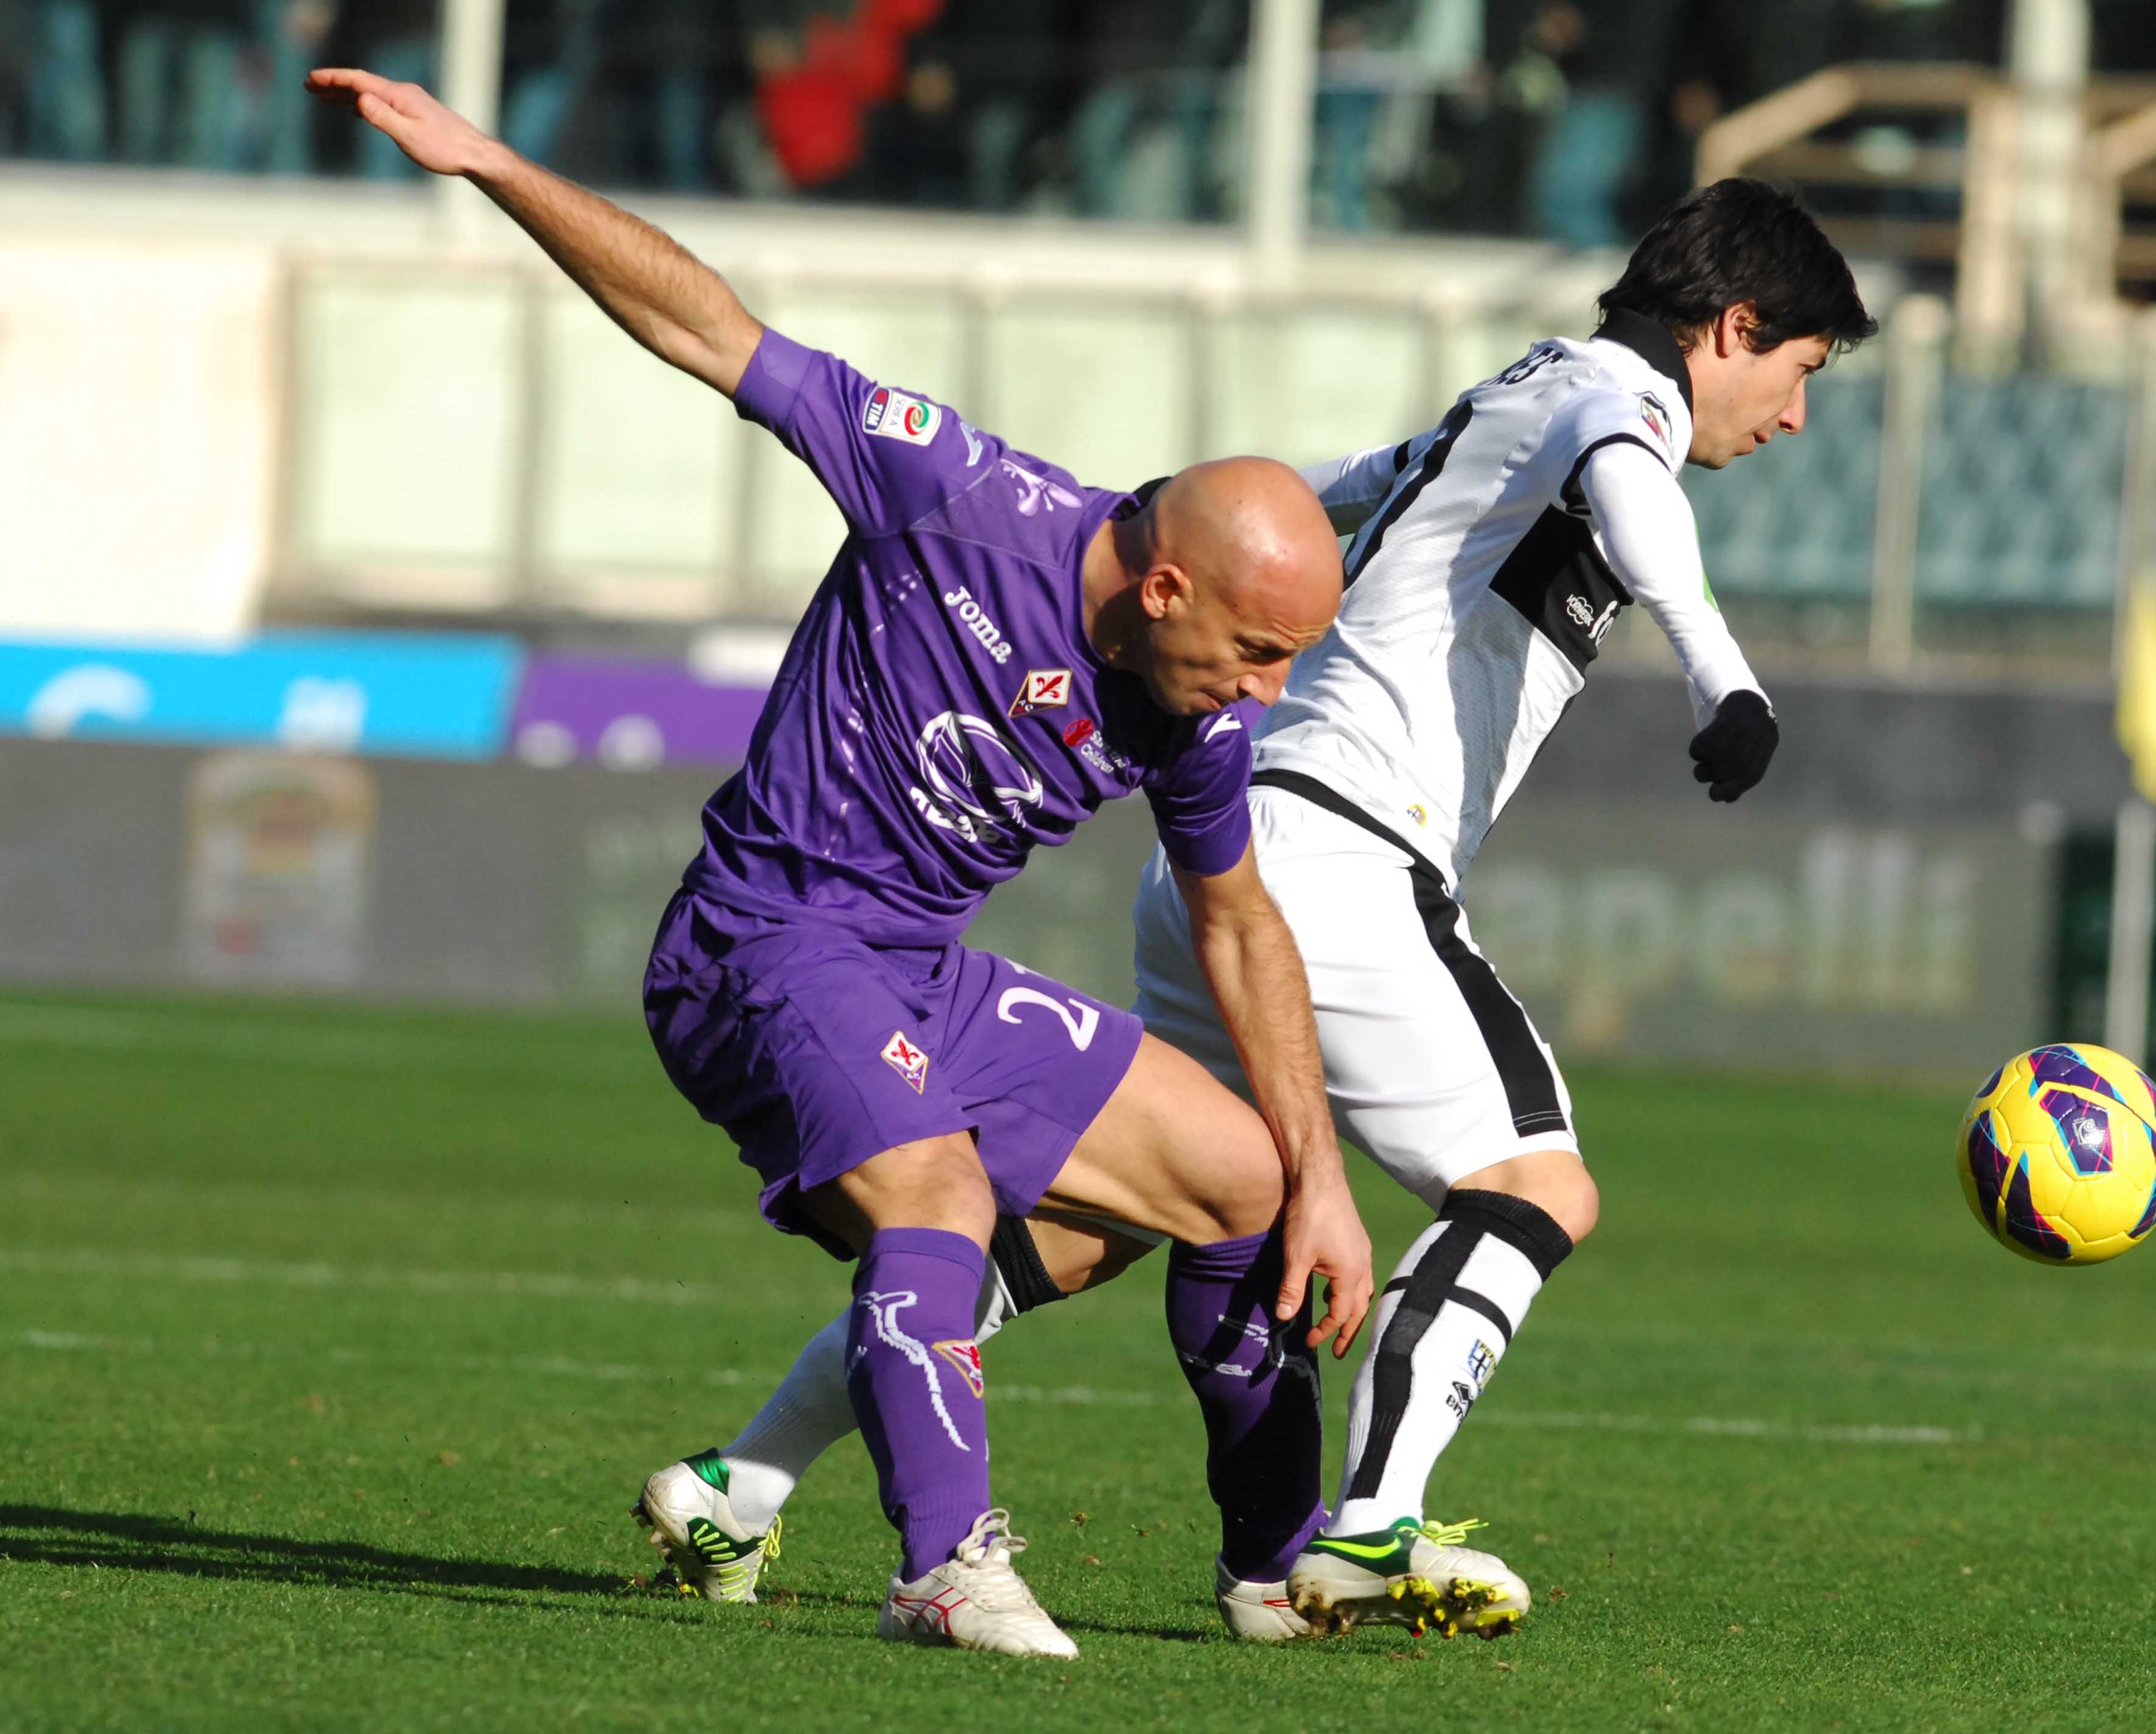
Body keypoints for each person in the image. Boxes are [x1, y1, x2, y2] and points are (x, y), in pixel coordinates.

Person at [670, 175, 1875, 1640]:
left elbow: (1340, 490)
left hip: (1232, 860)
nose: (1794, 413)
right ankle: (1365, 1526)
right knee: (1533, 1180)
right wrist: (1719, 672)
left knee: (1132, 1210)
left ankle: (749, 1476)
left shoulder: (1518, 396)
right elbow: (1637, 483)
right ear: (1732, 325)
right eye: (1799, 370)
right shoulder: (1624, 395)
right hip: (1344, 853)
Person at [306, 63, 1374, 1660]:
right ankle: (944, 1570)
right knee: (932, 1198)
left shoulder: (1193, 705)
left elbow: (1241, 924)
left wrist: (1329, 1183)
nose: (1269, 690)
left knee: (1235, 1179)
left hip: (914, 971)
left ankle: (1272, 1572)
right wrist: (488, 164)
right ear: (1162, 589)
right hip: (760, 944)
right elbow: (706, 327)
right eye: (1261, 648)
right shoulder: (951, 494)